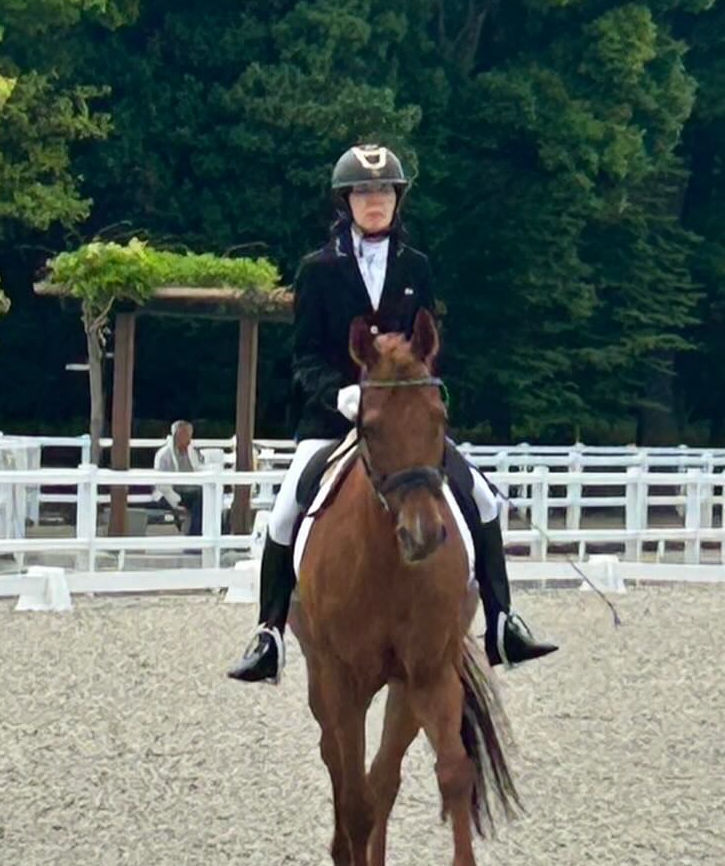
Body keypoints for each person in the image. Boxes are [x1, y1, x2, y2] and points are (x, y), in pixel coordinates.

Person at [227, 143, 558, 685]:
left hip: (400, 423)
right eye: (363, 192)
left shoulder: (416, 266)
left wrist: (413, 397)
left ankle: (502, 621)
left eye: (383, 192)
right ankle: (268, 634)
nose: (374, 201)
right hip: (335, 418)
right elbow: (305, 352)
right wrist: (340, 394)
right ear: (347, 201)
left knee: (481, 497)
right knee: (286, 510)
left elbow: (426, 345)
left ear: (395, 199)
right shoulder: (318, 269)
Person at [153, 419, 205, 536]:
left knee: (206, 496)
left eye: (189, 436)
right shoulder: (163, 455)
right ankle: (194, 536)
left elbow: (199, 470)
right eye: (186, 436)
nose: (189, 440)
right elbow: (162, 485)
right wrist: (175, 503)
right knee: (200, 501)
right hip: (168, 493)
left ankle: (197, 535)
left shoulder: (192, 452)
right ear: (177, 436)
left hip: (189, 491)